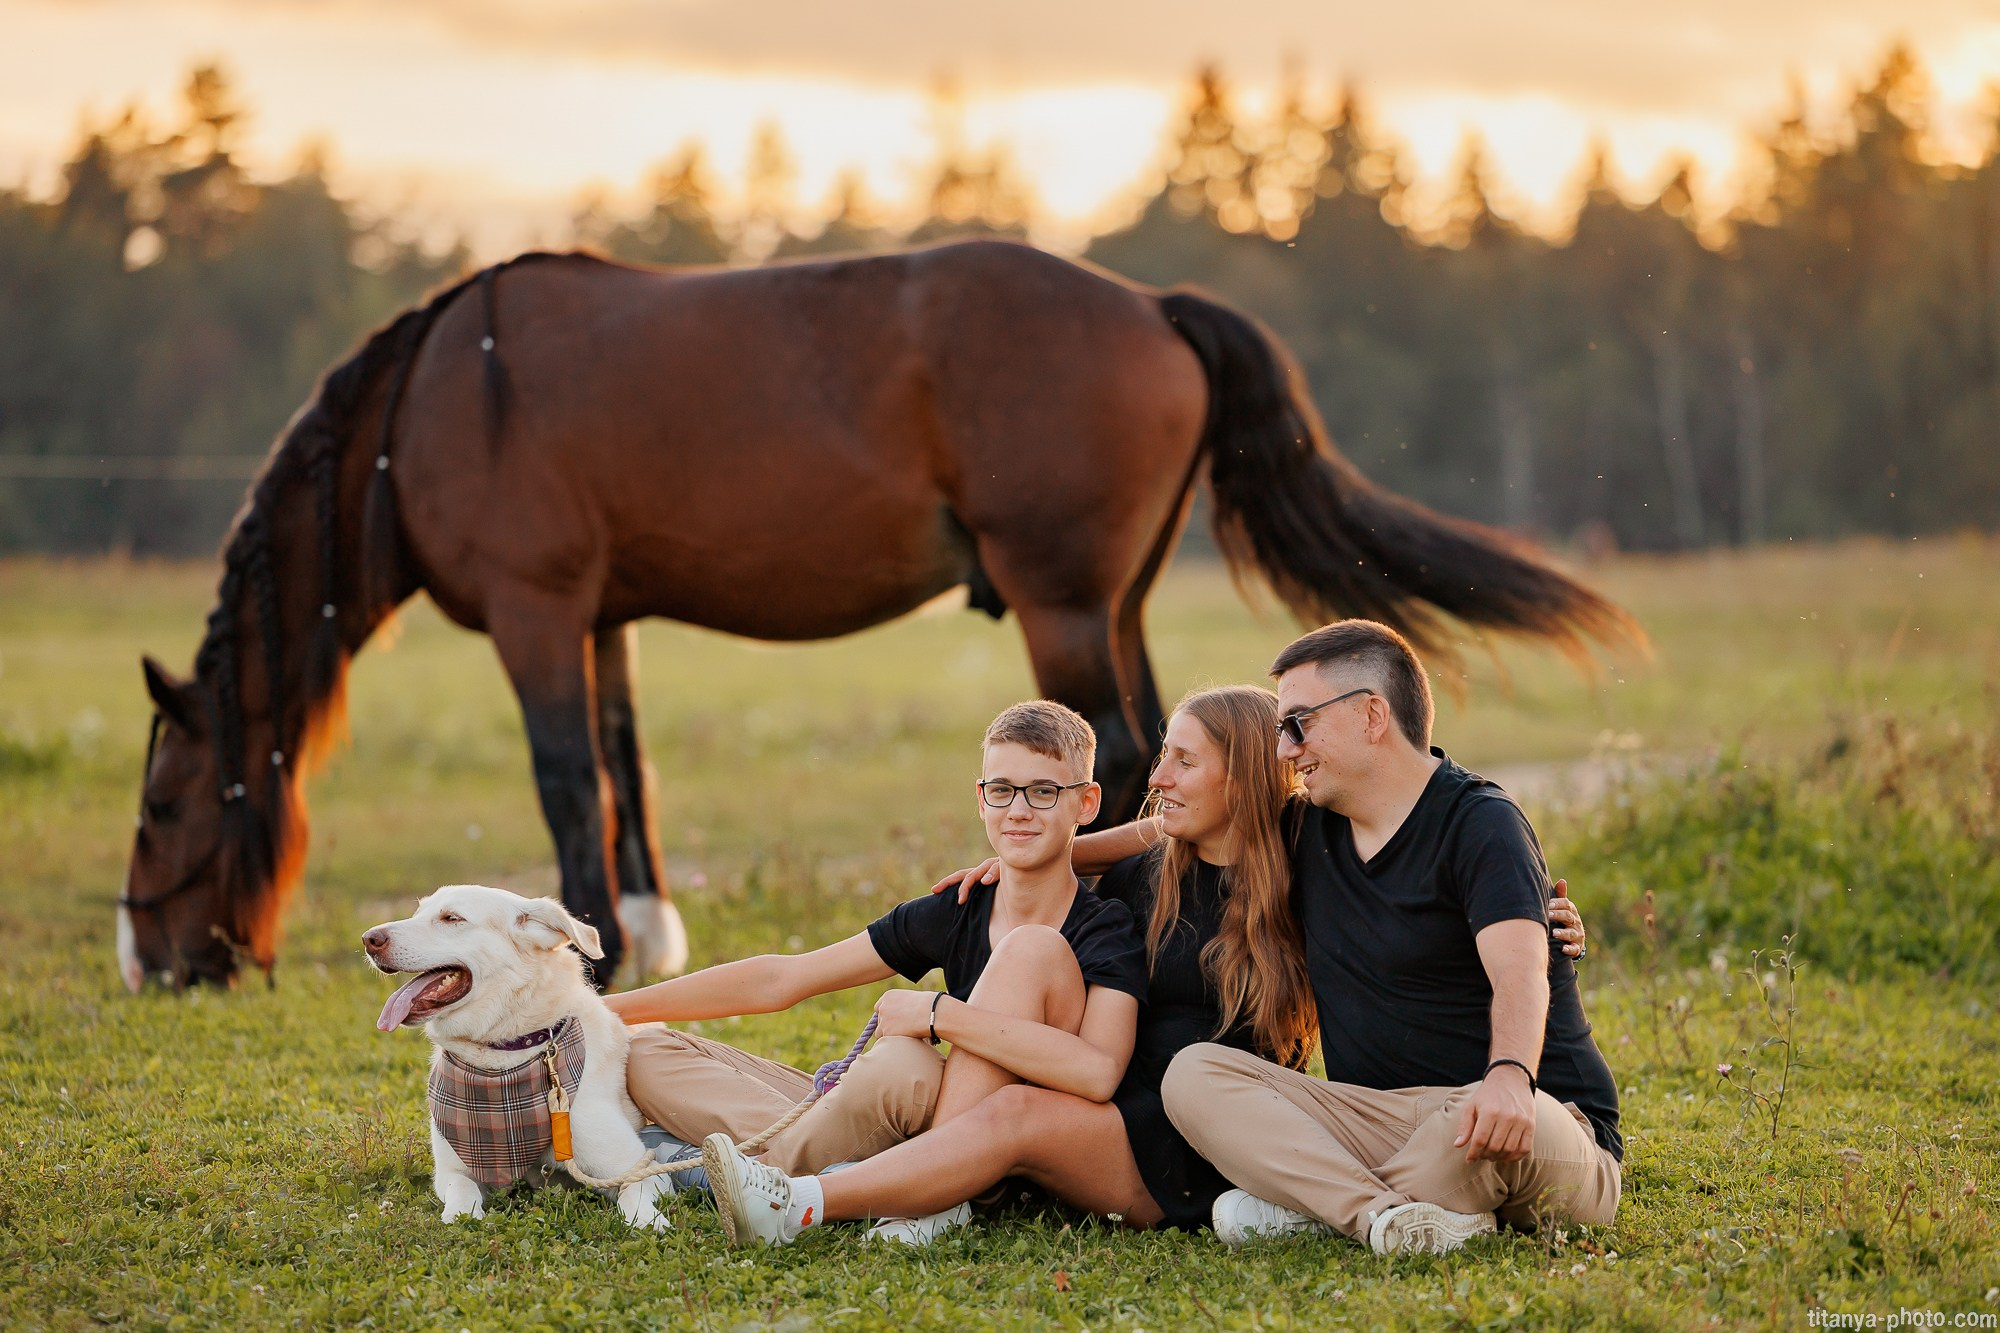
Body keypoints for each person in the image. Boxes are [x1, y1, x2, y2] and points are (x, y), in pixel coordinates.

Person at [705, 685, 1589, 1247]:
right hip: (1119, 1103)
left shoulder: (1307, 872)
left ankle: (804, 1201)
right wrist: (1030, 850)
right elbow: (1118, 839)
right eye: (1164, 753)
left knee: (1018, 1113)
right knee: (1025, 1003)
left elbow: (1420, 901)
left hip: (1206, 1132)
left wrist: (1537, 913)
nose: (1158, 773)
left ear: (1242, 778)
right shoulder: (1145, 874)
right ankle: (911, 1187)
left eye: (1182, 759)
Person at [603, 700, 1147, 1244]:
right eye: (1002, 790)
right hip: (912, 1110)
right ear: (981, 800)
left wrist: (938, 1015)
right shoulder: (959, 906)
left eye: (1044, 792)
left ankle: (731, 1172)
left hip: (996, 1143)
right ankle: (778, 1169)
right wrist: (606, 1009)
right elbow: (785, 979)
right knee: (644, 1051)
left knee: (902, 1064)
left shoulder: (1104, 929)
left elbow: (1099, 1075)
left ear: (1087, 802)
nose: (1019, 811)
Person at [1160, 619, 1622, 1255]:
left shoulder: (1482, 824)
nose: (1285, 750)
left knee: (1479, 1128)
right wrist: (1060, 850)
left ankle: (1324, 1207)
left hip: (1526, 1115)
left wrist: (1511, 1076)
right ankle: (1385, 1217)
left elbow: (1520, 973)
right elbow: (1192, 819)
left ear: (1372, 715)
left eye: (1298, 725)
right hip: (1383, 1121)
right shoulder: (1309, 830)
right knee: (1193, 1074)